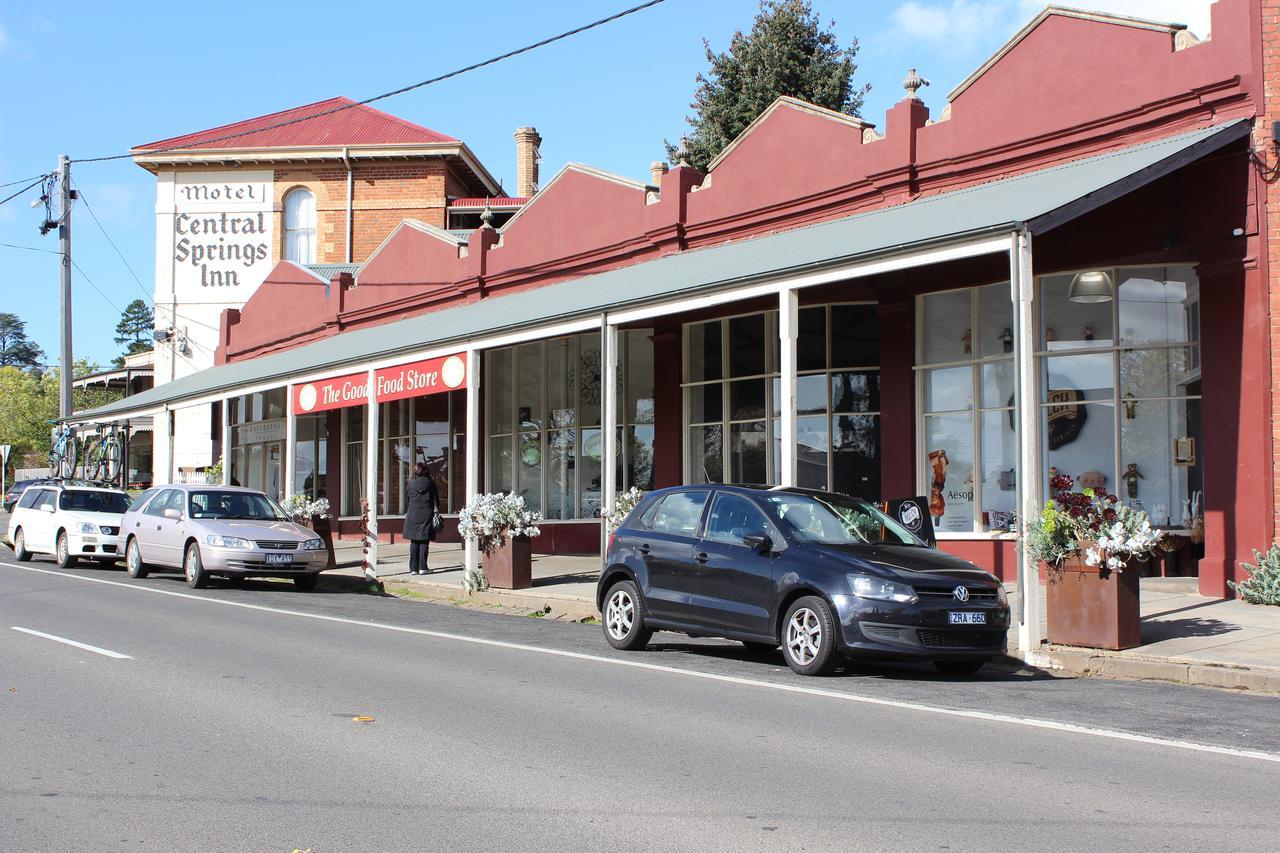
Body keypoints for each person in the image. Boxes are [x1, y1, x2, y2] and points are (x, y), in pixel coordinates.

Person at [403, 461, 439, 575]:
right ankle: (423, 567)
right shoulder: (430, 483)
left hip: (412, 515)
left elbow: (406, 501)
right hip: (426, 515)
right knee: (424, 541)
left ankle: (413, 569)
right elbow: (436, 500)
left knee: (414, 541)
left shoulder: (410, 484)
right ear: (425, 471)